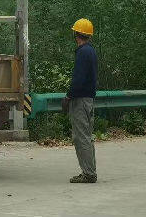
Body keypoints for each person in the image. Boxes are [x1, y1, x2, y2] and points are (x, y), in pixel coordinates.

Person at [64, 18, 98, 183]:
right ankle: (90, 171)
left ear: (76, 34)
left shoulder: (82, 52)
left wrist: (68, 96)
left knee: (81, 137)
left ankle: (88, 173)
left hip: (80, 100)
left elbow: (78, 79)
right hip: (88, 100)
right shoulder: (91, 51)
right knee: (87, 136)